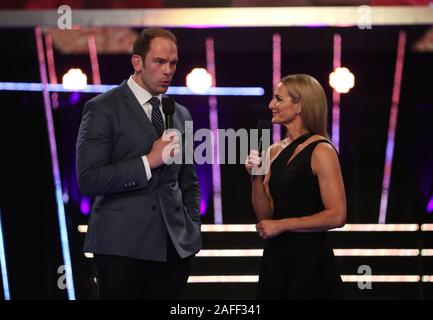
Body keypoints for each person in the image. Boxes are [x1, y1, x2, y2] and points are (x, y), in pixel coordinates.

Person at [76, 28, 201, 300]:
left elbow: (188, 181)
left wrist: (192, 230)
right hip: (121, 249)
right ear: (138, 62)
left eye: (173, 63)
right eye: (159, 62)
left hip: (174, 250)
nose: (168, 70)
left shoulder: (180, 113)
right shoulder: (102, 108)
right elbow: (89, 178)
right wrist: (149, 161)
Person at [245, 74, 346, 299]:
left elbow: (337, 216)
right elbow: (265, 216)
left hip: (309, 257)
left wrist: (283, 225)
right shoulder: (273, 151)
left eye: (279, 99)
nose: (271, 105)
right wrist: (256, 177)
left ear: (299, 105)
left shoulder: (322, 150)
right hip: (277, 256)